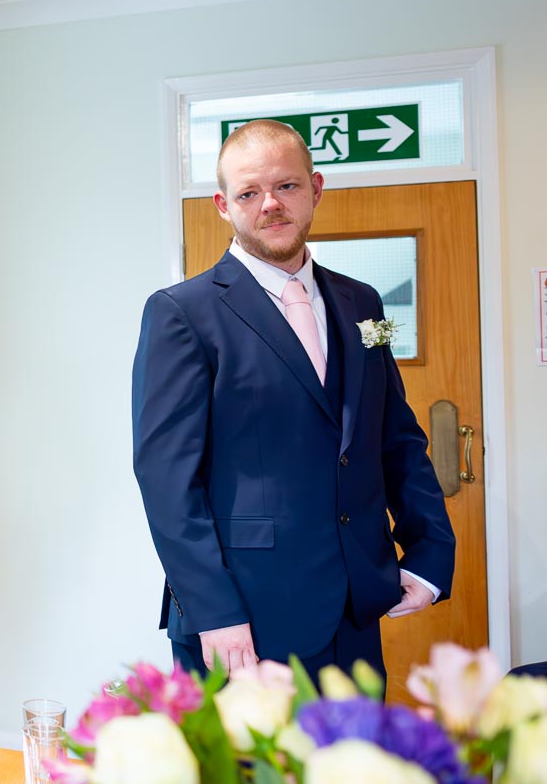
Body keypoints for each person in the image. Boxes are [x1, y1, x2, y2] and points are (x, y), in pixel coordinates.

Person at [131, 119, 455, 678]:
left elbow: (395, 438)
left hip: (356, 606)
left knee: (356, 766)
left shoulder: (362, 302)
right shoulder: (182, 313)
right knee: (251, 769)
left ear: (316, 189)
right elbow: (166, 483)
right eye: (249, 192)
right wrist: (215, 612)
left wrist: (428, 555)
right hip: (244, 621)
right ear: (223, 205)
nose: (270, 205)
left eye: (286, 186)